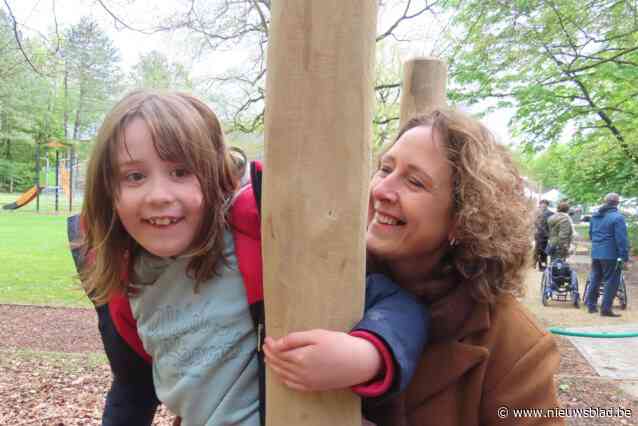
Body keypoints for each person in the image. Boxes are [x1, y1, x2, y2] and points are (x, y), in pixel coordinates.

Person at [73, 90, 428, 426]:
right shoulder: (126, 284)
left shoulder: (256, 240)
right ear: (109, 191)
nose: (158, 195)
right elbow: (133, 386)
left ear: (214, 176)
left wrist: (365, 356)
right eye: (135, 176)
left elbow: (398, 305)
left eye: (181, 172)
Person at [266, 109, 563, 425]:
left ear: (465, 220)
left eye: (415, 182)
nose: (381, 190)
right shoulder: (319, 273)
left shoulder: (515, 346)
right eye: (385, 169)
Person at [586, 192, 630, 317]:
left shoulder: (595, 216)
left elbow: (591, 234)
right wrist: (624, 257)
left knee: (595, 278)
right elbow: (621, 240)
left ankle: (591, 306)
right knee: (611, 281)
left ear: (605, 201)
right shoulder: (618, 217)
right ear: (617, 203)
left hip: (596, 253)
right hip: (611, 255)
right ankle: (605, 309)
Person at [534, 199, 553, 270]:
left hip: (545, 235)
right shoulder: (536, 212)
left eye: (545, 204)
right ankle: (533, 264)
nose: (543, 205)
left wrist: (549, 234)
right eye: (542, 203)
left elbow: (551, 225)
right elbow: (533, 222)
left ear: (547, 205)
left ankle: (542, 266)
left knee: (543, 251)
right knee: (536, 250)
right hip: (537, 234)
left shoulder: (550, 213)